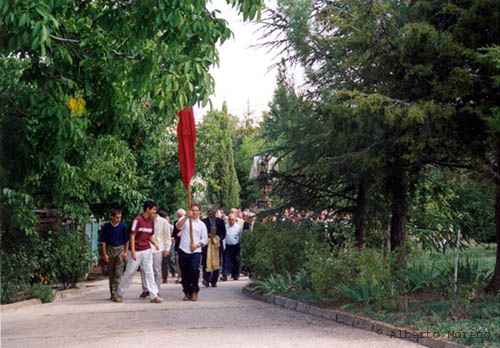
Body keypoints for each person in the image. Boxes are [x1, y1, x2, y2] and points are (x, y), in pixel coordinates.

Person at [115, 201, 163, 303]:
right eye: (154, 209)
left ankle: (153, 295)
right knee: (130, 272)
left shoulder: (151, 221)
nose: (155, 211)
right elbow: (132, 235)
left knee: (149, 271)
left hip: (147, 249)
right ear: (148, 209)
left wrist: (154, 244)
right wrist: (132, 251)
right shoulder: (137, 220)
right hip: (136, 250)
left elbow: (149, 235)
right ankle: (119, 293)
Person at [176, 203, 208, 301]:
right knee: (184, 272)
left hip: (196, 251)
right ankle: (187, 292)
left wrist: (197, 245)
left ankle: (194, 291)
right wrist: (186, 216)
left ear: (199, 212)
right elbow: (178, 226)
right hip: (184, 249)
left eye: (196, 210)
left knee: (194, 270)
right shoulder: (185, 220)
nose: (194, 212)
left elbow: (205, 239)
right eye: (193, 210)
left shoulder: (202, 224)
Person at [139, 209, 171, 298]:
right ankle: (146, 289)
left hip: (158, 248)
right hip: (145, 247)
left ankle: (156, 290)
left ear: (155, 213)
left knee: (156, 269)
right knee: (143, 268)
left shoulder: (164, 222)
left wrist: (167, 249)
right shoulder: (145, 220)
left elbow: (167, 236)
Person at [99, 208, 129, 301]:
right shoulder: (106, 227)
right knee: (111, 273)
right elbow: (103, 242)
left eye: (120, 217)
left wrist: (125, 252)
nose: (118, 219)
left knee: (118, 273)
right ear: (112, 217)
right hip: (110, 249)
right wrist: (105, 254)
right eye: (116, 217)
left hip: (120, 249)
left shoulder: (123, 226)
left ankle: (117, 294)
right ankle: (112, 293)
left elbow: (126, 240)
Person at [201, 205, 226, 287]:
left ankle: (214, 281)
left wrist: (217, 238)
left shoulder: (220, 221)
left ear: (215, 212)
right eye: (208, 211)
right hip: (207, 245)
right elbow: (201, 233)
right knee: (206, 262)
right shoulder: (203, 222)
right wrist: (207, 236)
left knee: (217, 262)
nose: (210, 213)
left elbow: (223, 233)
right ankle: (206, 279)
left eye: (211, 211)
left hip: (217, 245)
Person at [221, 213, 242, 281]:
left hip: (236, 246)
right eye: (230, 220)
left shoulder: (238, 228)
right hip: (228, 246)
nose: (231, 221)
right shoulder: (225, 227)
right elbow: (223, 237)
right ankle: (224, 274)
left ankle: (235, 275)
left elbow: (241, 237)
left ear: (235, 219)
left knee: (236, 261)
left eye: (232, 220)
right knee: (226, 261)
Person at [171, 208, 186, 284]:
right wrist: (173, 237)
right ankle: (179, 276)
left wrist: (182, 233)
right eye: (178, 216)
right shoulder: (176, 223)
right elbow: (174, 233)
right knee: (178, 261)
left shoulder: (188, 222)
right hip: (178, 246)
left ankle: (185, 276)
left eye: (181, 216)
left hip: (186, 245)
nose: (179, 218)